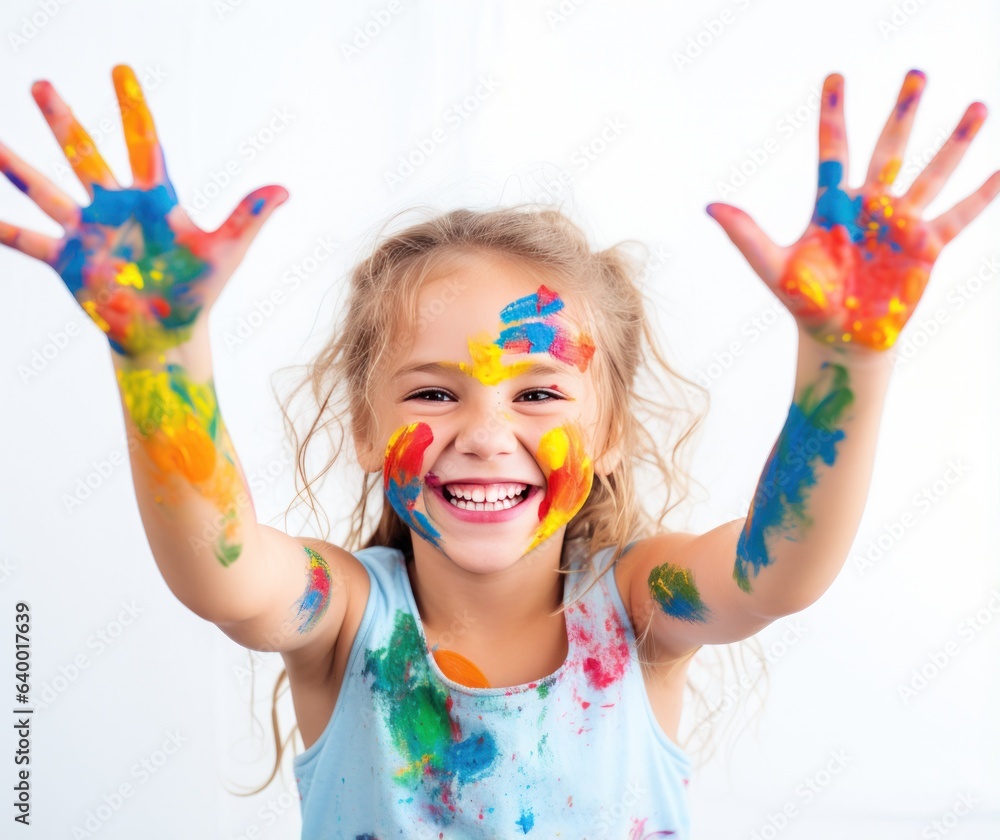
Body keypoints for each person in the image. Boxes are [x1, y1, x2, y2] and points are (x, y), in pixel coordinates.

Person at [2, 64, 997, 839]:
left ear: (606, 436)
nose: (484, 432)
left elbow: (775, 572)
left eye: (538, 395)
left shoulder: (638, 610)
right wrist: (160, 357)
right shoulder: (348, 621)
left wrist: (844, 359)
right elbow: (223, 575)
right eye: (434, 392)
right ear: (361, 425)